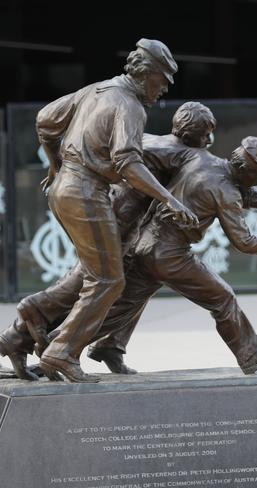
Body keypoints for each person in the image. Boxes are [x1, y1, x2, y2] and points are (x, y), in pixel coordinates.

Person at [0, 101, 216, 380]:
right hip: (117, 219)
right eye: (207, 132)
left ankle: (108, 345)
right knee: (94, 282)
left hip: (114, 213)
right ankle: (32, 319)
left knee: (131, 281)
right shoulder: (181, 154)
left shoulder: (150, 139)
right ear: (191, 132)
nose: (209, 140)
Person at [81, 136, 257, 376]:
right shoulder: (226, 192)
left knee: (123, 307)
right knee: (222, 298)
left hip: (145, 246)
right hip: (170, 255)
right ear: (244, 170)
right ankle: (249, 353)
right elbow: (245, 242)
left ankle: (84, 346)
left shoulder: (204, 160)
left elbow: (246, 196)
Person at [35, 39, 198, 383]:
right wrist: (171, 200)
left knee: (93, 275)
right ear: (146, 73)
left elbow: (45, 121)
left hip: (66, 188)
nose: (165, 88)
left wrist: (55, 166)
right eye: (163, 79)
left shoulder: (96, 90)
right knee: (108, 279)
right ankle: (60, 352)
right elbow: (128, 162)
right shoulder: (130, 105)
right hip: (85, 193)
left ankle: (24, 336)